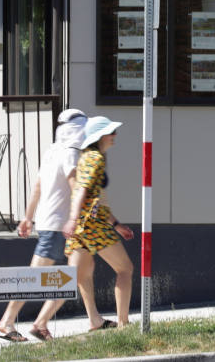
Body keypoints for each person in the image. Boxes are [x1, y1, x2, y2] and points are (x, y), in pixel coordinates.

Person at [0, 108, 88, 343]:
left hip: (49, 222)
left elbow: (37, 187)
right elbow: (75, 184)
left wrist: (28, 218)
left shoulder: (51, 151)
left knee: (77, 274)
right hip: (60, 224)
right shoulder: (70, 154)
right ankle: (7, 322)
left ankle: (43, 323)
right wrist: (76, 216)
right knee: (35, 277)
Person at [62, 116, 134, 331]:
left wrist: (116, 224)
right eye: (112, 132)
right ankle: (123, 323)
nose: (115, 136)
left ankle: (92, 320)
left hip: (84, 226)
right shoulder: (96, 158)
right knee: (125, 269)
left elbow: (96, 198)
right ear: (101, 135)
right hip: (91, 225)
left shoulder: (86, 156)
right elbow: (82, 190)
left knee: (80, 276)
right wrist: (73, 219)